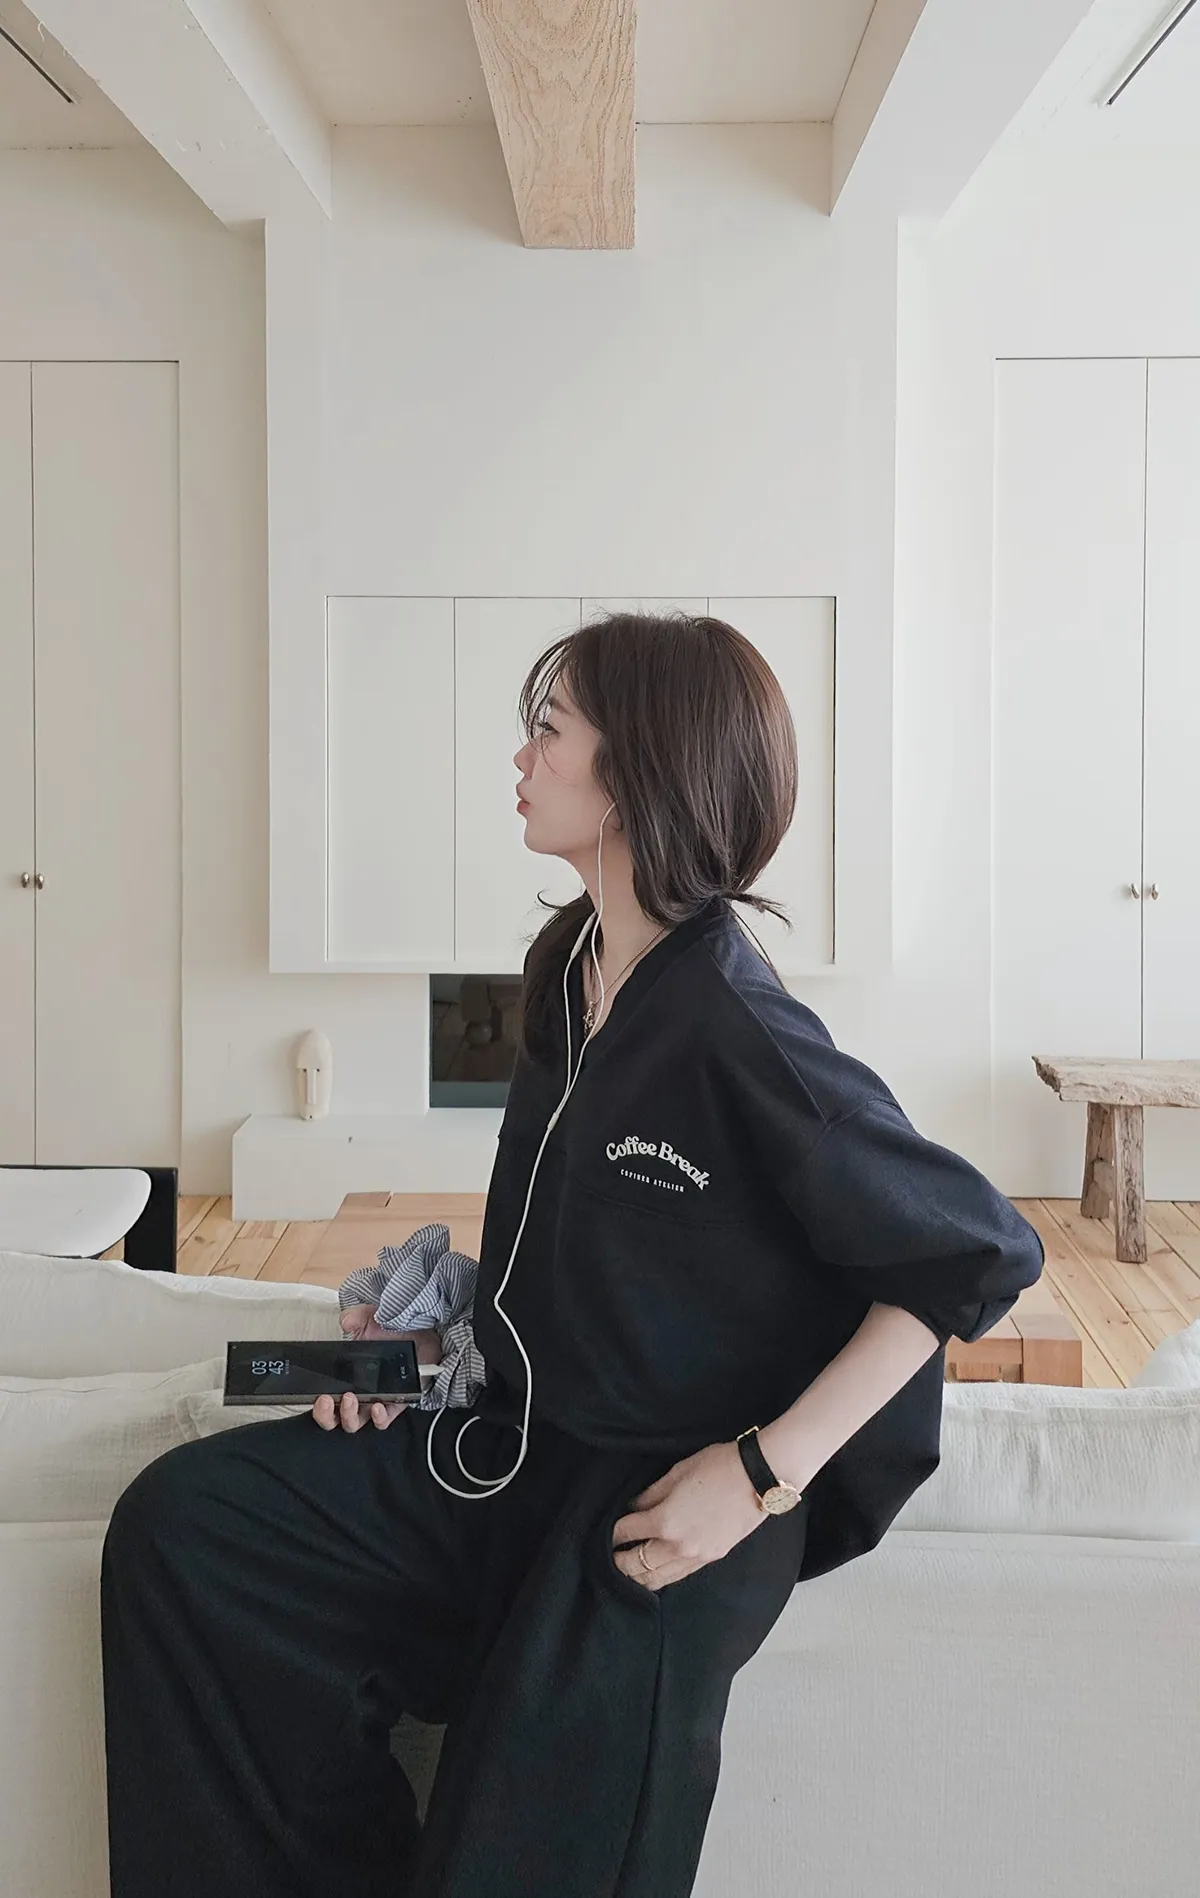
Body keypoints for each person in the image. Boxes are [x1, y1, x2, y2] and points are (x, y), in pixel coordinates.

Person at [100, 610, 1045, 1898]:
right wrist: (429, 1332)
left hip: (657, 1514)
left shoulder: (736, 1027)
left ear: (640, 771)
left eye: (548, 732)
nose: (520, 759)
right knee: (191, 1534)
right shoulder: (568, 969)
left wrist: (758, 1477)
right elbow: (568, 1243)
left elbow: (976, 1254)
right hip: (512, 1442)